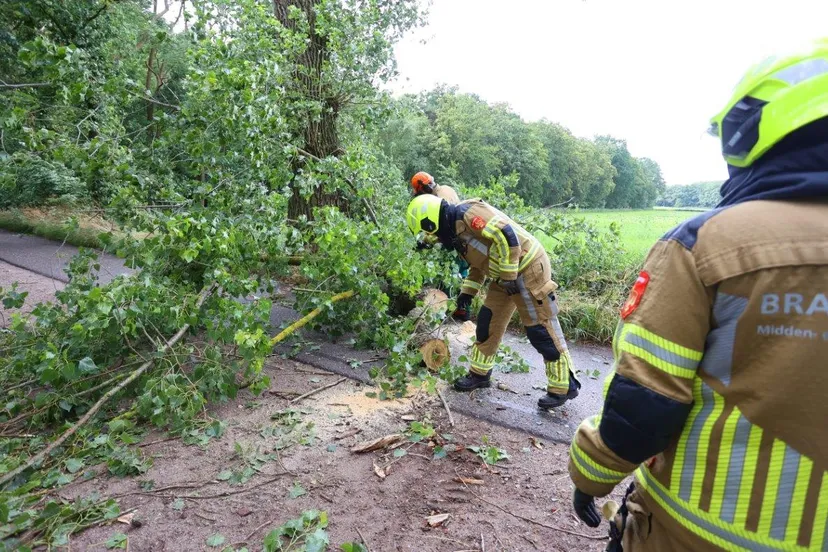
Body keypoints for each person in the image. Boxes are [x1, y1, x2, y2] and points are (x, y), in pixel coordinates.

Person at [568, 40, 828, 552]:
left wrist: (589, 474)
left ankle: (560, 386)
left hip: (695, 533)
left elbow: (645, 402)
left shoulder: (706, 245)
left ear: (751, 129)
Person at [406, 194, 580, 409]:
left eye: (431, 234)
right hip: (504, 274)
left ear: (431, 221)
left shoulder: (469, 214)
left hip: (526, 267)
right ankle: (479, 375)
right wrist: (467, 293)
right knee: (488, 321)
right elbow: (479, 262)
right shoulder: (456, 231)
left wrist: (508, 277)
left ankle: (564, 384)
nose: (436, 240)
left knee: (540, 329)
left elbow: (506, 236)